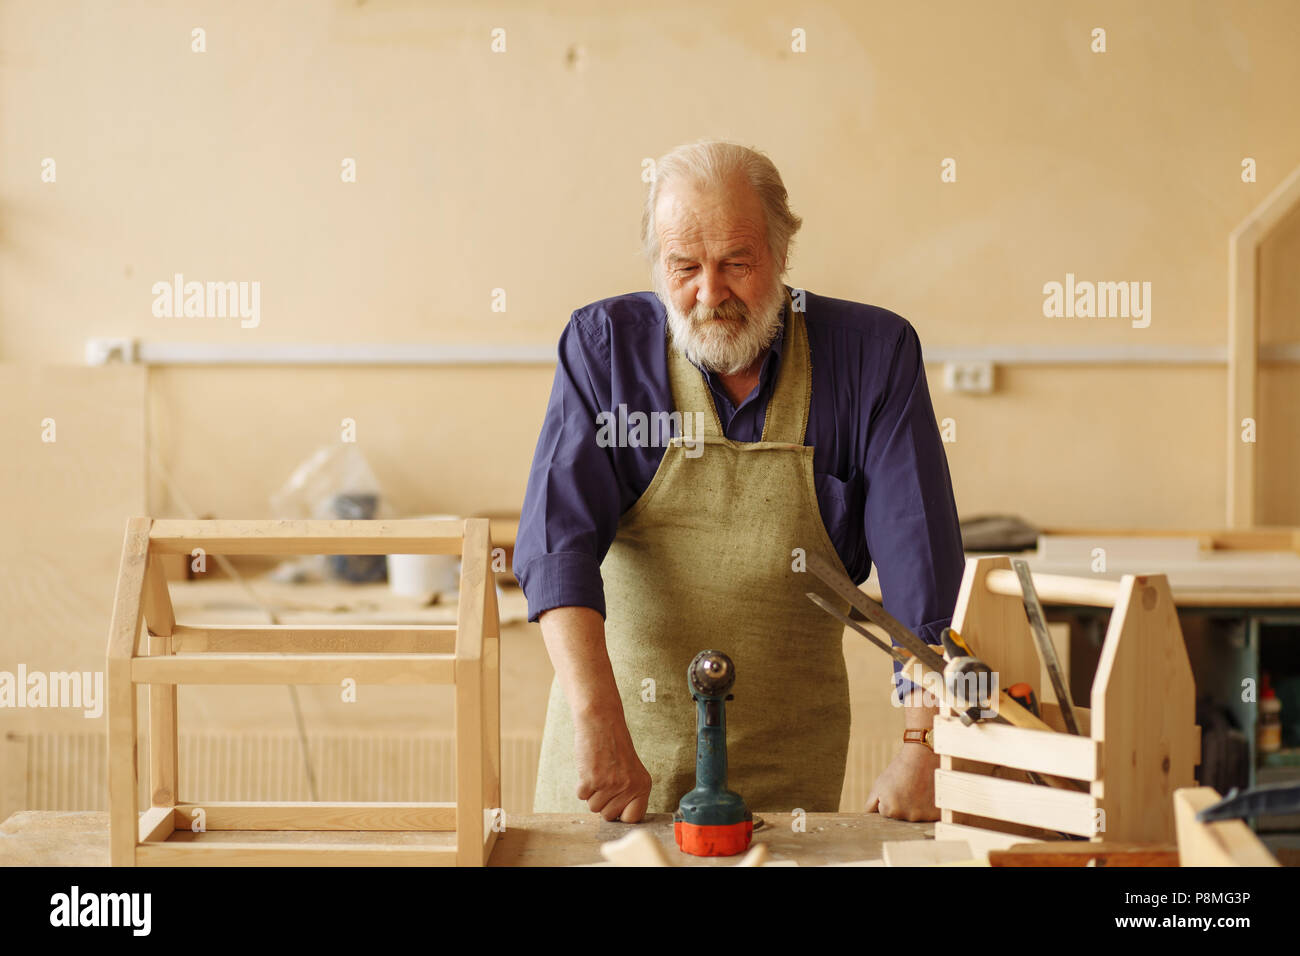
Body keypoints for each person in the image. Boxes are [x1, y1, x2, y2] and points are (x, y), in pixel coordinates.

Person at [514, 140, 964, 824]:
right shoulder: (604, 350)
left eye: (737, 264)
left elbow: (921, 573)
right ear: (657, 264)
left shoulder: (873, 357)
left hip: (787, 766)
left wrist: (924, 747)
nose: (710, 293)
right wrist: (597, 721)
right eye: (684, 267)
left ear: (783, 254)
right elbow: (556, 550)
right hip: (618, 751)